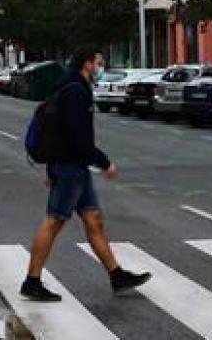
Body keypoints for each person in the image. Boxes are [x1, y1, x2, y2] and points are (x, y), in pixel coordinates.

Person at [19, 47, 149, 303]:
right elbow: (80, 139)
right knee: (54, 220)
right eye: (99, 62)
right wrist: (105, 163)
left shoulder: (68, 87)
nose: (101, 67)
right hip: (70, 167)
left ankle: (117, 275)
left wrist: (51, 166)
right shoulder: (76, 92)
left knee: (93, 219)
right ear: (87, 64)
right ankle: (32, 281)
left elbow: (59, 131)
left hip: (71, 166)